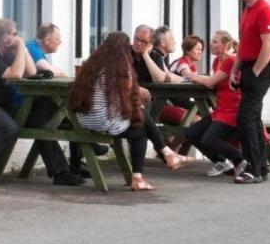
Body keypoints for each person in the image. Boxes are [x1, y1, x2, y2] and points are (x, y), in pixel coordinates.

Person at [0, 18, 84, 186]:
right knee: (10, 128)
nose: (17, 37)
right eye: (14, 34)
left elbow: (32, 71)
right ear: (4, 38)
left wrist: (23, 49)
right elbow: (15, 75)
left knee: (42, 123)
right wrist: (21, 45)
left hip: (3, 106)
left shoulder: (6, 54)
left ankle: (60, 172)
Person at [70, 32, 184, 192]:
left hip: (84, 120)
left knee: (140, 118)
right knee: (140, 130)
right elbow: (133, 96)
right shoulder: (120, 67)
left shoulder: (92, 64)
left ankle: (165, 153)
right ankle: (147, 169)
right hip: (102, 121)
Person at [232, 0, 270, 184]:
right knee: (253, 118)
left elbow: (269, 45)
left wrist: (255, 72)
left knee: (245, 117)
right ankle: (260, 166)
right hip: (249, 65)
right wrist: (235, 70)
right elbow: (243, 46)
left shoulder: (265, 10)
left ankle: (253, 167)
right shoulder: (247, 11)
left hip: (261, 67)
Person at [128, 26, 193, 170]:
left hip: (149, 102)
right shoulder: (126, 53)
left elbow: (159, 78)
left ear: (151, 43)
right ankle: (167, 152)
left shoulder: (154, 56)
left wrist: (145, 55)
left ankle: (166, 153)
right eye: (136, 39)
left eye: (144, 41)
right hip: (129, 100)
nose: (138, 44)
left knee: (145, 115)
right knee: (144, 117)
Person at [182, 30, 244, 177]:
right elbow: (212, 82)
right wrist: (199, 78)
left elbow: (210, 81)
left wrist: (191, 76)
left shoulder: (230, 60)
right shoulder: (217, 61)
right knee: (191, 133)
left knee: (209, 139)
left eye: (215, 42)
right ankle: (221, 162)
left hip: (232, 110)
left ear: (225, 45)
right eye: (212, 41)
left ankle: (240, 159)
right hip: (220, 110)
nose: (211, 44)